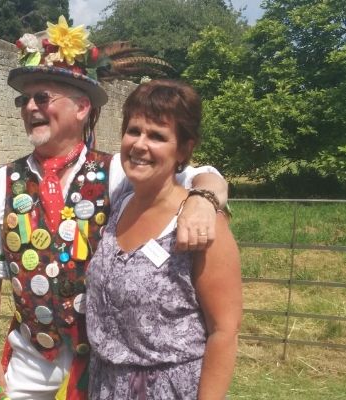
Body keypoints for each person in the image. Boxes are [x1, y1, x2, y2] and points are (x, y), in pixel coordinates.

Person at [0, 16, 229, 400]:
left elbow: (196, 173)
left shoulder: (115, 173)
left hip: (99, 363)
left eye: (43, 98)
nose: (30, 108)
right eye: (24, 99)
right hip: (27, 355)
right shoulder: (0, 183)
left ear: (81, 107)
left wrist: (204, 198)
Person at [86, 79, 242, 399]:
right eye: (134, 131)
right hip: (106, 385)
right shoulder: (120, 203)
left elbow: (224, 332)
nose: (140, 144)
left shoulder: (202, 222)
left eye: (157, 136)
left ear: (183, 149)